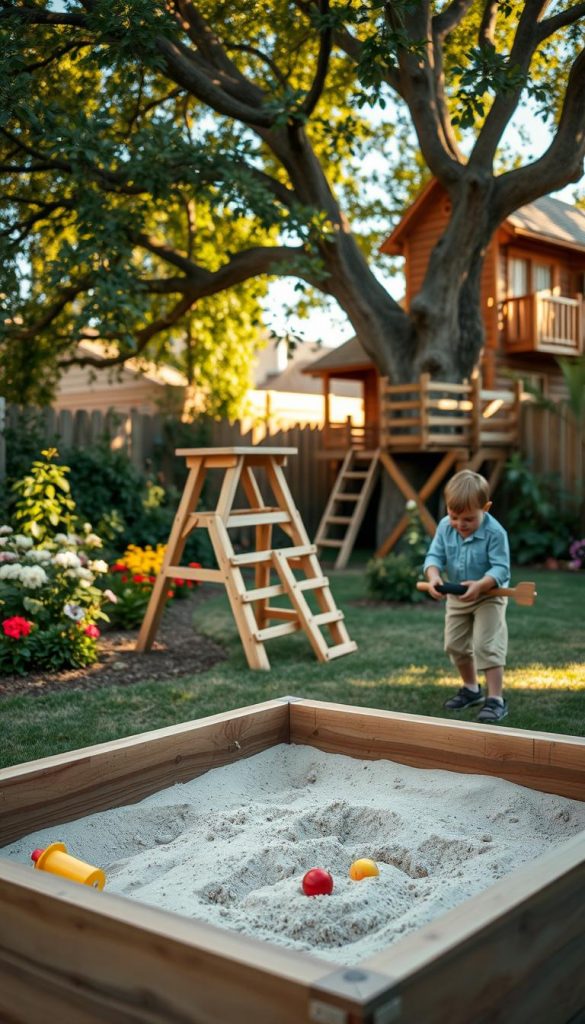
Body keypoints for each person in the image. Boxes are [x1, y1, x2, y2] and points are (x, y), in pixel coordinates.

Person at [423, 469, 510, 723]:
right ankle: (471, 689)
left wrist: (482, 584)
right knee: (455, 645)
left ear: (486, 508)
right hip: (457, 597)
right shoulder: (444, 527)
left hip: (489, 595)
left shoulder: (495, 533)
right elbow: (434, 557)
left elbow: (501, 568)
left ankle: (496, 699)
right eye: (454, 516)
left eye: (469, 519)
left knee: (486, 645)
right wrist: (434, 577)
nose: (460, 524)